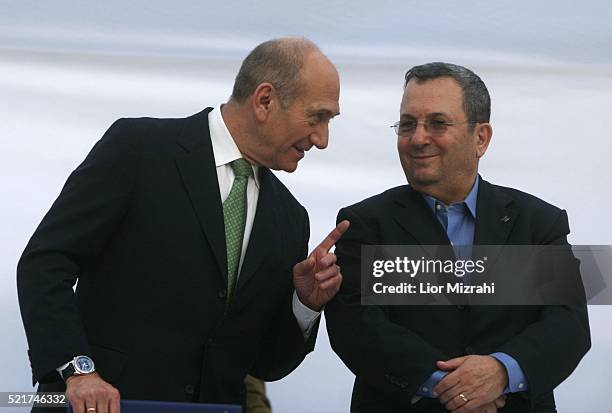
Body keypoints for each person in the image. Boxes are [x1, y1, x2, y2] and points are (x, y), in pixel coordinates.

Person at [17, 37, 349, 413]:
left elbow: (265, 364)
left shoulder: (289, 217)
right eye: (317, 116)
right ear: (265, 100)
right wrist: (77, 371)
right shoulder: (138, 149)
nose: (322, 139)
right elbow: (46, 263)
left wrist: (303, 304)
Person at [325, 62, 590, 413]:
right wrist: (452, 388)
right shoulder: (365, 224)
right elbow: (358, 327)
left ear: (480, 138)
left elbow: (568, 324)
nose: (418, 138)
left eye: (437, 123)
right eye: (407, 124)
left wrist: (501, 372)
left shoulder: (538, 223)